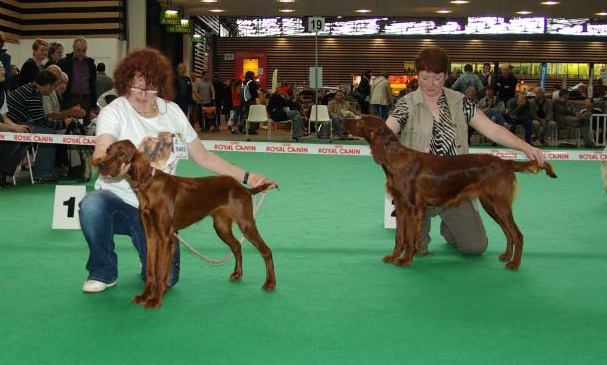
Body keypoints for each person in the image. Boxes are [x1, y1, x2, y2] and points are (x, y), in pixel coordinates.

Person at [78, 47, 276, 294]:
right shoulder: (114, 111)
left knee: (168, 279)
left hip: (161, 205)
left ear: (159, 86)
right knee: (91, 205)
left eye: (150, 87)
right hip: (118, 202)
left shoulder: (171, 112)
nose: (143, 94)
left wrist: (247, 177)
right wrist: (105, 161)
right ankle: (103, 271)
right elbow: (102, 146)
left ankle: (148, 259)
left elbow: (202, 156)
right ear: (126, 82)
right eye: (137, 87)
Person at [385, 46, 544, 256]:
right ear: (417, 75)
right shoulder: (406, 104)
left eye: (437, 78)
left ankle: (450, 225)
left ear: (446, 75)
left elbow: (493, 129)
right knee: (414, 249)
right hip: (419, 188)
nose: (430, 84)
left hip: (455, 186)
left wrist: (525, 146)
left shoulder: (460, 102)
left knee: (475, 247)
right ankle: (425, 230)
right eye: (424, 78)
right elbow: (386, 136)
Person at [5, 70, 75, 182]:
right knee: (49, 134)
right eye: (52, 87)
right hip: (13, 124)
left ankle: (45, 169)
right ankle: (42, 172)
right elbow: (41, 121)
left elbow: (39, 119)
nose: (52, 90)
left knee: (47, 131)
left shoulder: (31, 89)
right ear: (47, 85)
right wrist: (62, 124)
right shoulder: (33, 94)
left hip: (17, 122)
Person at [0, 62, 29, 187]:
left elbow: (4, 117)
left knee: (25, 136)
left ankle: (5, 172)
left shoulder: (2, 91)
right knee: (14, 139)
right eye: (0, 69)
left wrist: (17, 128)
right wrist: (12, 128)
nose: (4, 71)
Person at [57, 36, 97, 124]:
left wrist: (93, 105)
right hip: (69, 99)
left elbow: (93, 84)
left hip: (85, 100)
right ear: (73, 48)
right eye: (78, 50)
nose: (81, 53)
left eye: (84, 50)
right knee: (69, 124)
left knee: (85, 125)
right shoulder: (63, 63)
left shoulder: (91, 64)